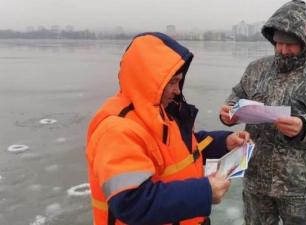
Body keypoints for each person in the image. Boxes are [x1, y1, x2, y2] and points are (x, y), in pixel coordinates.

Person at [85, 32, 251, 225]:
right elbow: (131, 202)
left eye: (179, 81)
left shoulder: (163, 112)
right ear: (149, 81)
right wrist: (204, 193)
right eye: (171, 82)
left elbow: (183, 151)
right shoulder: (117, 129)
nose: (178, 90)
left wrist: (224, 142)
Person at [220, 1, 306, 224]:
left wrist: (305, 127)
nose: (283, 50)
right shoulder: (257, 69)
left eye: (290, 44)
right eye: (278, 43)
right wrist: (228, 113)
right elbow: (236, 98)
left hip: (303, 188)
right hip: (257, 182)